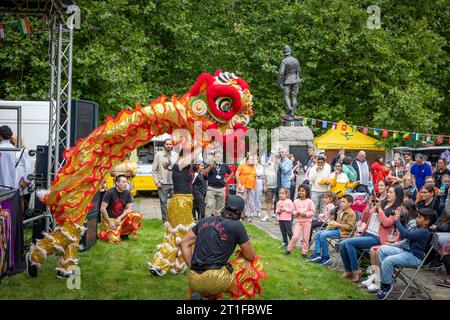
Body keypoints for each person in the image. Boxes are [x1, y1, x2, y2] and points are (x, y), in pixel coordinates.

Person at [181, 195, 266, 300]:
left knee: (217, 270)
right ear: (240, 212)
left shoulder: (205, 220)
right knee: (250, 265)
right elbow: (251, 255)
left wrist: (192, 266)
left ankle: (205, 295)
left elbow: (184, 243)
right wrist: (244, 252)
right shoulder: (237, 226)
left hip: (193, 280)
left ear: (224, 207)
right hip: (216, 279)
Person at [339, 185, 403, 284]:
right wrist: (369, 205)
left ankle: (356, 271)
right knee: (342, 243)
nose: (388, 194)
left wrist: (380, 209)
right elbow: (364, 218)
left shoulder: (397, 209)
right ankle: (348, 270)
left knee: (348, 243)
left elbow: (387, 223)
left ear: (397, 195)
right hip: (367, 233)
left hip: (377, 237)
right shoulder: (382, 203)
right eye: (388, 192)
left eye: (391, 192)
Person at [376, 208, 437, 299]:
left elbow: (406, 235)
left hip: (414, 257)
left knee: (388, 260)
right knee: (383, 249)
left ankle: (386, 286)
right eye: (416, 216)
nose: (416, 219)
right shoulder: (418, 227)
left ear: (426, 221)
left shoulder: (424, 232)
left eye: (419, 217)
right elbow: (406, 231)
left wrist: (397, 221)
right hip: (406, 252)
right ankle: (388, 276)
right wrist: (403, 221)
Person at [363, 200, 418, 291]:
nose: (401, 213)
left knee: (378, 250)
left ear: (410, 211)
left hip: (404, 248)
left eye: (403, 211)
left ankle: (380, 280)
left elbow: (405, 238)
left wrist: (394, 244)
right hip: (399, 245)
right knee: (373, 249)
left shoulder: (413, 223)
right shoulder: (406, 220)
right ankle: (375, 277)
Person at [307, 194, 357, 265]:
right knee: (318, 233)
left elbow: (350, 227)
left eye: (343, 202)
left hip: (344, 233)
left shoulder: (352, 214)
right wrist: (332, 224)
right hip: (337, 230)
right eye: (340, 202)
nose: (341, 203)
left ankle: (326, 257)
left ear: (349, 203)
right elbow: (336, 223)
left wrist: (338, 225)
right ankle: (317, 253)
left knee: (323, 235)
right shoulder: (341, 211)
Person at [98, 175, 143, 243]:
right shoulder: (109, 192)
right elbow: (102, 208)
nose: (126, 184)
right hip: (109, 218)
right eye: (123, 182)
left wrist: (119, 218)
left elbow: (129, 208)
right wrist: (110, 222)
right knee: (114, 240)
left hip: (120, 218)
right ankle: (104, 232)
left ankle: (123, 233)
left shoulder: (127, 193)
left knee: (136, 216)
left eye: (126, 182)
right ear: (117, 183)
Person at [285, 185, 315, 257]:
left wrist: (306, 214)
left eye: (302, 191)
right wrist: (296, 213)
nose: (300, 192)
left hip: (307, 222)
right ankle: (289, 249)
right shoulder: (296, 201)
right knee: (295, 236)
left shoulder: (310, 202)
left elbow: (313, 212)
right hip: (298, 222)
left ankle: (304, 252)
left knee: (305, 238)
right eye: (299, 191)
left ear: (307, 192)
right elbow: (293, 210)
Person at [152, 138, 178, 223]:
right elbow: (154, 170)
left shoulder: (175, 155)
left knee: (175, 203)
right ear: (164, 145)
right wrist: (157, 182)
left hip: (174, 183)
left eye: (170, 144)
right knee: (163, 204)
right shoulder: (158, 155)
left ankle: (174, 219)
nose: (169, 146)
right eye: (167, 144)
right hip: (162, 184)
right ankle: (165, 221)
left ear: (172, 145)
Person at [204, 149, 233, 217]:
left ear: (221, 157)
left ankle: (218, 222)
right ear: (214, 157)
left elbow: (231, 173)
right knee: (209, 205)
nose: (218, 158)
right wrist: (210, 167)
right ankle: (207, 222)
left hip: (221, 189)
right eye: (216, 157)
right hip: (211, 189)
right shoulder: (210, 164)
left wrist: (226, 180)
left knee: (220, 208)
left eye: (219, 157)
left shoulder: (224, 165)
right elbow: (204, 173)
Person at [0, 126, 17, 224]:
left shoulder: (1, 148)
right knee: (8, 213)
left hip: (1, 184)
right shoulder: (14, 148)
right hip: (11, 184)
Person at [278, 45, 300, 117]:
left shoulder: (284, 61)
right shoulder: (296, 60)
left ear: (284, 53)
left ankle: (290, 109)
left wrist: (280, 82)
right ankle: (292, 112)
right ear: (290, 52)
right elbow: (299, 70)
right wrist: (297, 77)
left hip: (287, 81)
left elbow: (281, 73)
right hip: (295, 80)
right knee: (294, 97)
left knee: (286, 96)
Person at [236, 154, 257, 222]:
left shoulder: (253, 167)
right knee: (241, 201)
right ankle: (239, 215)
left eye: (252, 159)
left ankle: (248, 215)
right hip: (243, 186)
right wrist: (239, 183)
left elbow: (255, 177)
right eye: (250, 159)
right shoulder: (242, 165)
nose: (252, 160)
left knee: (249, 201)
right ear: (247, 159)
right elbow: (237, 174)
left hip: (251, 187)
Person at [261, 151, 277, 221]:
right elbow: (264, 175)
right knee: (269, 200)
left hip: (277, 185)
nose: (272, 156)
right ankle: (267, 215)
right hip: (269, 185)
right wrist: (264, 185)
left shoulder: (278, 164)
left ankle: (277, 215)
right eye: (271, 155)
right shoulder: (266, 165)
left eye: (273, 155)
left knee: (278, 200)